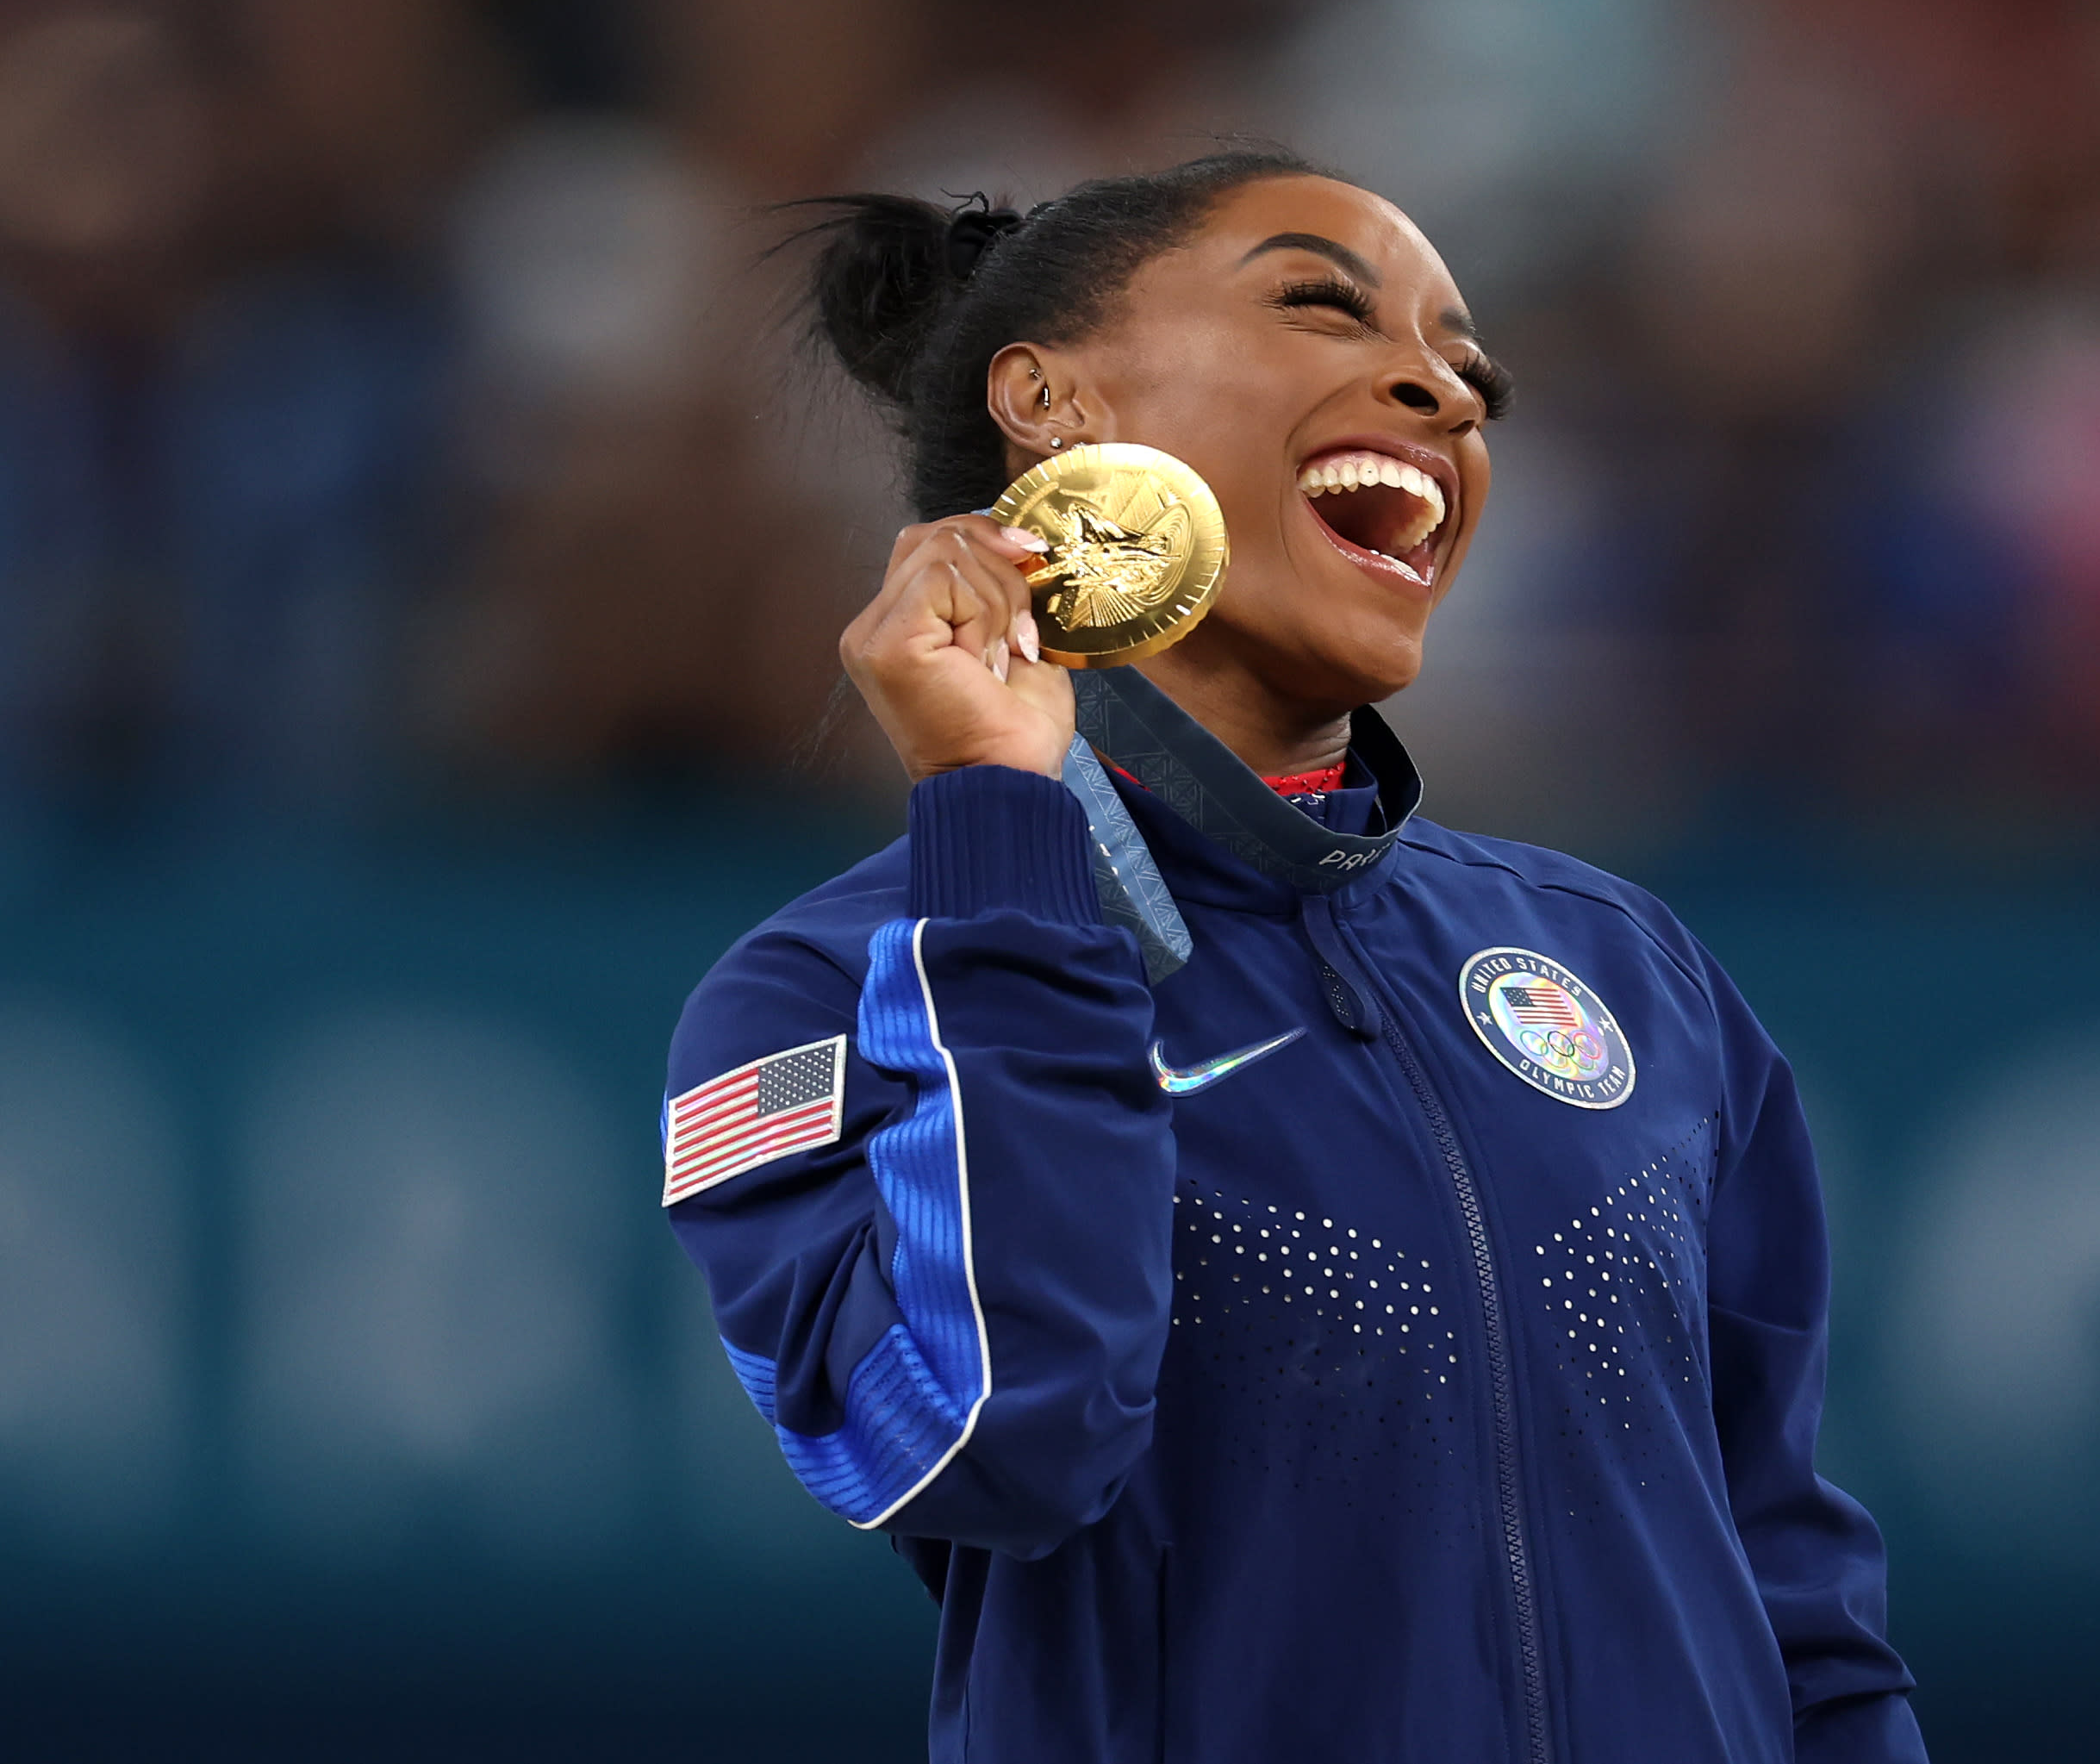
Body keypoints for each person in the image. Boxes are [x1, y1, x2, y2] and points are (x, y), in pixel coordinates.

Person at [664, 149, 1927, 1762]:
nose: (1448, 392)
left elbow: (1801, 1613)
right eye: (1322, 305)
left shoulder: (1621, 964)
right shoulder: (824, 993)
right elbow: (1004, 1432)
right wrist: (997, 828)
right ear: (1047, 400)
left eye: (1474, 370)